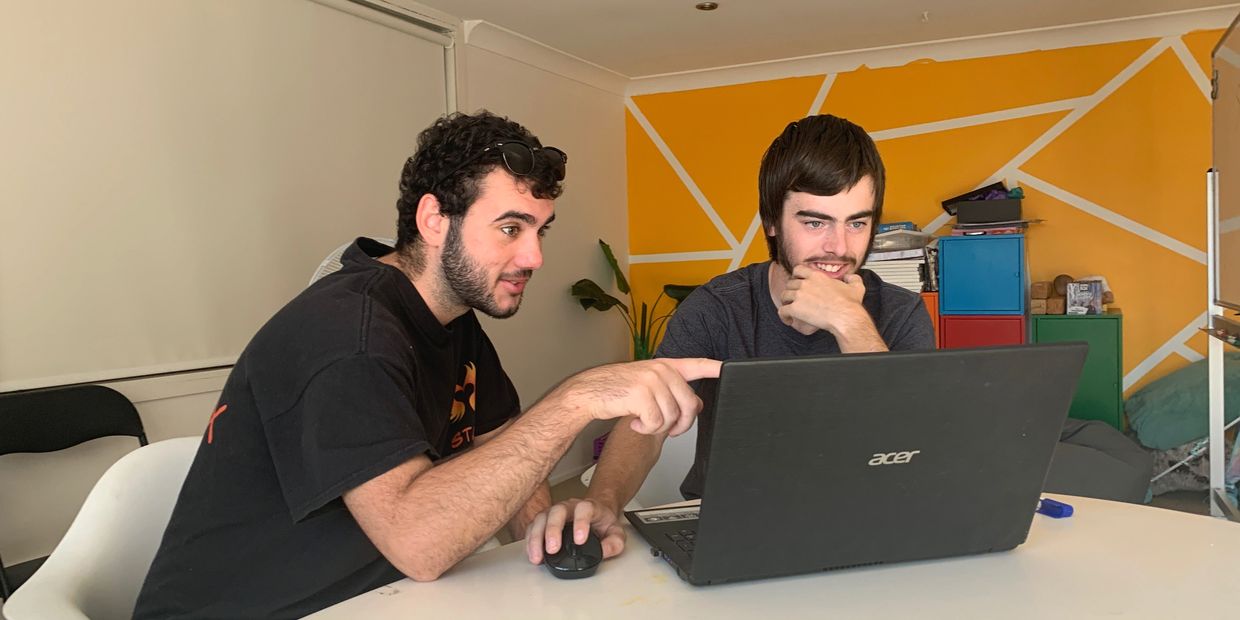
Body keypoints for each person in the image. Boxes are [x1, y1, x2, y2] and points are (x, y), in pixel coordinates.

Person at [133, 111, 719, 619]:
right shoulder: (349, 333)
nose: (534, 256)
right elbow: (419, 544)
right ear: (434, 219)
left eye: (540, 231)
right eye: (511, 228)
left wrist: (549, 528)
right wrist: (577, 399)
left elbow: (507, 461)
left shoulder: (453, 321)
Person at [526, 114, 935, 565]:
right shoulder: (718, 308)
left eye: (857, 223)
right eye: (815, 223)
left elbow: (915, 449)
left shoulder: (899, 313)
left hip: (867, 522)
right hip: (730, 523)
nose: (838, 247)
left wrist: (849, 323)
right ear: (772, 222)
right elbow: (648, 422)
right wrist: (604, 501)